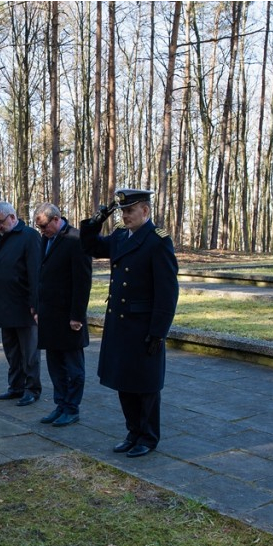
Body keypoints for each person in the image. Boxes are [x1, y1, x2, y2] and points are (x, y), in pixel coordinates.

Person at [79, 188, 179, 457]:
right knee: (124, 382)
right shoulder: (121, 237)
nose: (124, 216)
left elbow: (167, 292)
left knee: (145, 386)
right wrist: (98, 218)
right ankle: (132, 431)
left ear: (145, 211)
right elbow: (89, 245)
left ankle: (147, 437)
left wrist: (158, 332)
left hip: (143, 326)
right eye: (121, 211)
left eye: (130, 210)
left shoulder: (158, 241)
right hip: (120, 325)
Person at [33, 202, 92, 427]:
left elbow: (82, 281)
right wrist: (36, 307)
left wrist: (77, 315)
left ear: (56, 219)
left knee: (73, 367)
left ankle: (72, 407)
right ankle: (60, 404)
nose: (42, 231)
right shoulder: (46, 239)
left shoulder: (76, 240)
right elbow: (41, 276)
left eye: (44, 226)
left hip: (69, 318)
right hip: (49, 316)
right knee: (55, 366)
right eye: (39, 228)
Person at [0, 201, 42, 406]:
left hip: (24, 305)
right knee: (11, 351)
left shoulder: (30, 236)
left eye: (0, 222)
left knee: (29, 352)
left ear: (12, 217)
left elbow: (35, 273)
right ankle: (15, 386)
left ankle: (32, 389)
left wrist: (36, 304)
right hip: (4, 305)